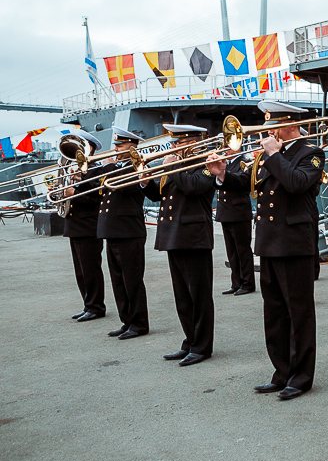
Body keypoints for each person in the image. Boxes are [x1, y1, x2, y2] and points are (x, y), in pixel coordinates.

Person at [207, 101, 325, 400]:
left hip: (294, 244)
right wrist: (222, 175)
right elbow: (250, 185)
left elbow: (297, 184)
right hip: (269, 243)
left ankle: (301, 377)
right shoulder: (270, 156)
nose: (268, 131)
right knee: (274, 313)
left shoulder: (310, 153)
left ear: (291, 125)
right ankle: (281, 372)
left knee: (298, 314)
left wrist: (273, 154)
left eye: (274, 126)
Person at [144, 124, 217, 366]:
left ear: (193, 142)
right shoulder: (176, 165)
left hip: (194, 237)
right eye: (174, 143)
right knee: (183, 296)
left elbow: (192, 186)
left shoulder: (207, 163)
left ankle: (202, 346)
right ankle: (190, 341)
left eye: (179, 143)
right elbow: (160, 195)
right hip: (173, 235)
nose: (174, 147)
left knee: (199, 296)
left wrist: (171, 165)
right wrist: (145, 182)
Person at [98, 127, 151, 340]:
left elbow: (126, 186)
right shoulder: (117, 167)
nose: (116, 149)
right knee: (118, 281)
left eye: (120, 145)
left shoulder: (138, 165)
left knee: (132, 281)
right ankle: (126, 320)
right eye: (116, 145)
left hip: (129, 231)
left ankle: (139, 323)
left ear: (132, 147)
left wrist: (109, 167)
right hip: (113, 230)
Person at [63, 131, 107, 323]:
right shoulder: (73, 169)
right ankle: (88, 304)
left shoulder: (96, 170)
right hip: (74, 225)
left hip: (89, 225)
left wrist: (74, 192)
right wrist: (58, 193)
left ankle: (96, 306)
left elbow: (96, 199)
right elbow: (67, 196)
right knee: (80, 271)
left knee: (90, 269)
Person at [216, 151, 256, 297]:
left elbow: (242, 182)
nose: (225, 149)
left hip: (239, 212)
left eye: (228, 145)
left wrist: (222, 173)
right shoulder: (226, 163)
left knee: (243, 250)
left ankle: (248, 283)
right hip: (226, 212)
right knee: (232, 252)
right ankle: (236, 282)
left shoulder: (244, 162)